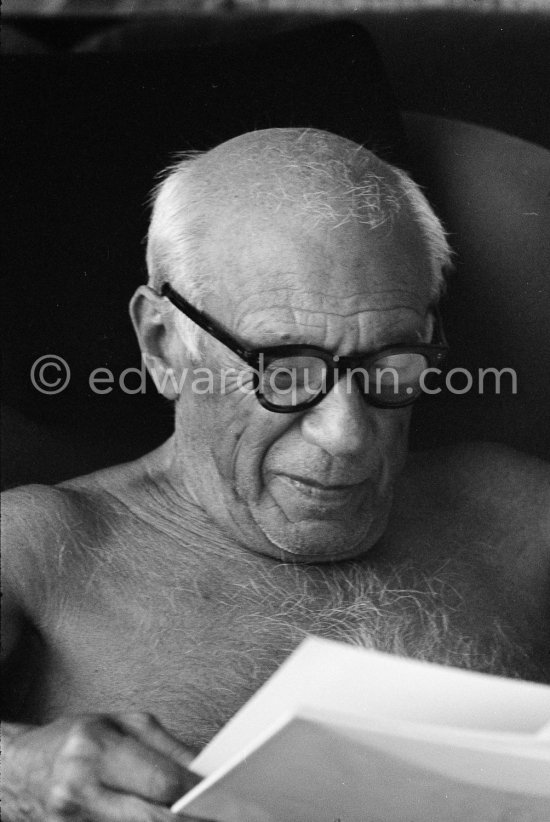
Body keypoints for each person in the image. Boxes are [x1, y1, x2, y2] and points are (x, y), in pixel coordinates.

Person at [2, 128, 549, 822]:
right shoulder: (36, 548)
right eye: (284, 372)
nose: (347, 435)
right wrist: (14, 770)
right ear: (165, 345)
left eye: (391, 363)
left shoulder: (521, 515)